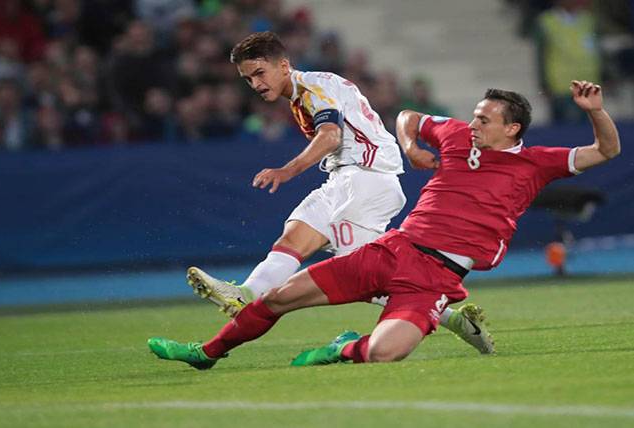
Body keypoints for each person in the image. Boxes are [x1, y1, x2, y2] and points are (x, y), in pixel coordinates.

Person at [148, 79, 619, 369]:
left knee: (385, 353)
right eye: (474, 115)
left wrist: (595, 111)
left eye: (484, 119)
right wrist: (410, 144)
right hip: (394, 250)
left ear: (512, 128)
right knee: (278, 298)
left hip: (437, 277)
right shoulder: (455, 134)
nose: (472, 123)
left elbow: (606, 151)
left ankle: (342, 349)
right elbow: (408, 116)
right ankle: (205, 354)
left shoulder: (537, 163)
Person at [184, 31, 492, 356]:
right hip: (343, 178)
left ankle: (455, 320)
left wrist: (287, 170)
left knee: (360, 275)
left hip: (368, 180)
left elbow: (330, 136)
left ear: (284, 65)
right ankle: (245, 293)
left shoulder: (315, 88)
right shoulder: (303, 93)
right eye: (248, 79)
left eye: (260, 73)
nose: (256, 84)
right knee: (293, 238)